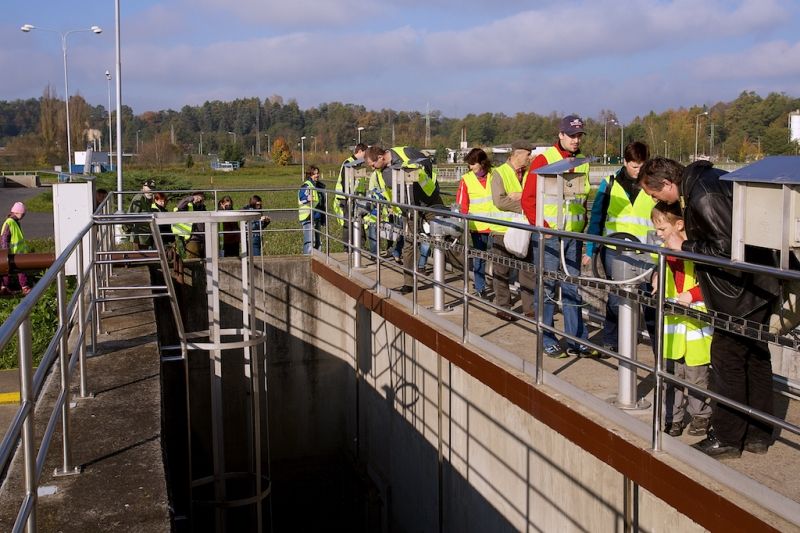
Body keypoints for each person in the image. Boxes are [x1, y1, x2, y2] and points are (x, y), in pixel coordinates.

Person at [638, 156, 780, 459]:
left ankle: (728, 437)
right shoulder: (709, 180)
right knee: (755, 357)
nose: (657, 200)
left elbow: (726, 248)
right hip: (758, 284)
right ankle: (758, 434)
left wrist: (683, 246)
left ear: (666, 184)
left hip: (737, 292)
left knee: (727, 361)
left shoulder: (701, 195)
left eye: (654, 194)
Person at [521, 115, 596, 358]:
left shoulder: (582, 162)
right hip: (549, 236)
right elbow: (528, 199)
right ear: (560, 135)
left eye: (579, 136)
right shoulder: (544, 160)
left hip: (572, 235)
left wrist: (582, 226)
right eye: (572, 135)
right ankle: (547, 337)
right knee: (548, 288)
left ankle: (576, 339)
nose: (576, 140)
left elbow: (581, 198)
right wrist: (542, 228)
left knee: (573, 287)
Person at [585, 141, 656, 353]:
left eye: (642, 165)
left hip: (646, 250)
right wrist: (590, 250)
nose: (638, 170)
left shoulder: (652, 185)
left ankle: (658, 348)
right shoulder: (610, 183)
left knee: (649, 299)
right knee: (616, 298)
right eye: (634, 166)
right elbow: (596, 218)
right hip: (614, 250)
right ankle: (611, 339)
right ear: (625, 162)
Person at [650, 201, 711, 438]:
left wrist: (690, 295)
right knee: (671, 376)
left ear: (679, 225)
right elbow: (664, 272)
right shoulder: (666, 251)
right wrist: (656, 275)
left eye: (662, 229)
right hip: (674, 327)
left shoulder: (696, 250)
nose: (658, 234)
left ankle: (701, 417)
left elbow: (708, 283)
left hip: (696, 326)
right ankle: (672, 418)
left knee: (697, 377)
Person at [364, 145, 445, 294]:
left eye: (373, 164)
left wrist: (416, 170)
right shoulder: (381, 173)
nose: (373, 168)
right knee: (409, 244)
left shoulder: (406, 152)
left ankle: (461, 269)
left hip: (430, 201)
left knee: (443, 237)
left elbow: (427, 163)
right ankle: (409, 283)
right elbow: (389, 192)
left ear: (381, 157)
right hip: (409, 210)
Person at [486, 141, 535, 321]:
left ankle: (530, 309)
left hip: (524, 230)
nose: (530, 158)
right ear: (517, 154)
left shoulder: (530, 174)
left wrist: (519, 197)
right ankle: (503, 308)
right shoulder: (499, 172)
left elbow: (535, 196)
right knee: (502, 270)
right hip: (502, 230)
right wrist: (524, 206)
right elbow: (500, 201)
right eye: (528, 154)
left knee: (527, 270)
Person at [456, 148, 502, 299]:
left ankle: (499, 289)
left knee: (498, 259)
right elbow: (462, 204)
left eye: (473, 163)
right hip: (477, 226)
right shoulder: (466, 179)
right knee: (479, 257)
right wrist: (462, 223)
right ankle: (480, 287)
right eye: (469, 164)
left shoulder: (495, 175)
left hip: (496, 225)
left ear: (482, 162)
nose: (471, 167)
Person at [334, 143, 368, 249]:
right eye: (365, 154)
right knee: (348, 223)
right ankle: (348, 246)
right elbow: (345, 182)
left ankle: (359, 246)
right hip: (346, 198)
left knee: (359, 221)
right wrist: (349, 197)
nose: (366, 157)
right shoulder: (348, 163)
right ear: (360, 151)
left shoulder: (357, 164)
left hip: (357, 198)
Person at [1, 202, 32, 296]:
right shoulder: (10, 222)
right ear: (18, 212)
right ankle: (22, 288)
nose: (23, 216)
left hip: (16, 252)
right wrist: (5, 252)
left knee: (12, 271)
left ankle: (5, 288)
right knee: (13, 270)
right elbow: (4, 238)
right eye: (23, 214)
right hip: (13, 252)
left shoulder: (14, 222)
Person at [172, 191, 206, 258]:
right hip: (192, 239)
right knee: (193, 261)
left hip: (203, 239)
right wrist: (192, 198)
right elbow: (179, 206)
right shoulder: (187, 206)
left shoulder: (203, 208)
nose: (200, 199)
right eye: (198, 197)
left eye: (202, 197)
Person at [298, 166, 322, 255]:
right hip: (308, 216)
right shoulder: (307, 185)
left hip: (316, 215)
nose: (317, 175)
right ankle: (307, 259)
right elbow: (302, 198)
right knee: (309, 242)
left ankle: (317, 259)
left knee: (318, 242)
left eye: (317, 173)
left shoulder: (316, 185)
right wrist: (307, 198)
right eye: (314, 174)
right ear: (309, 175)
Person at [127, 179, 155, 249]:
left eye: (152, 188)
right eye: (149, 187)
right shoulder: (139, 198)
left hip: (146, 234)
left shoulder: (148, 199)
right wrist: (127, 230)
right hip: (138, 237)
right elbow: (131, 215)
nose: (150, 190)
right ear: (143, 188)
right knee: (138, 257)